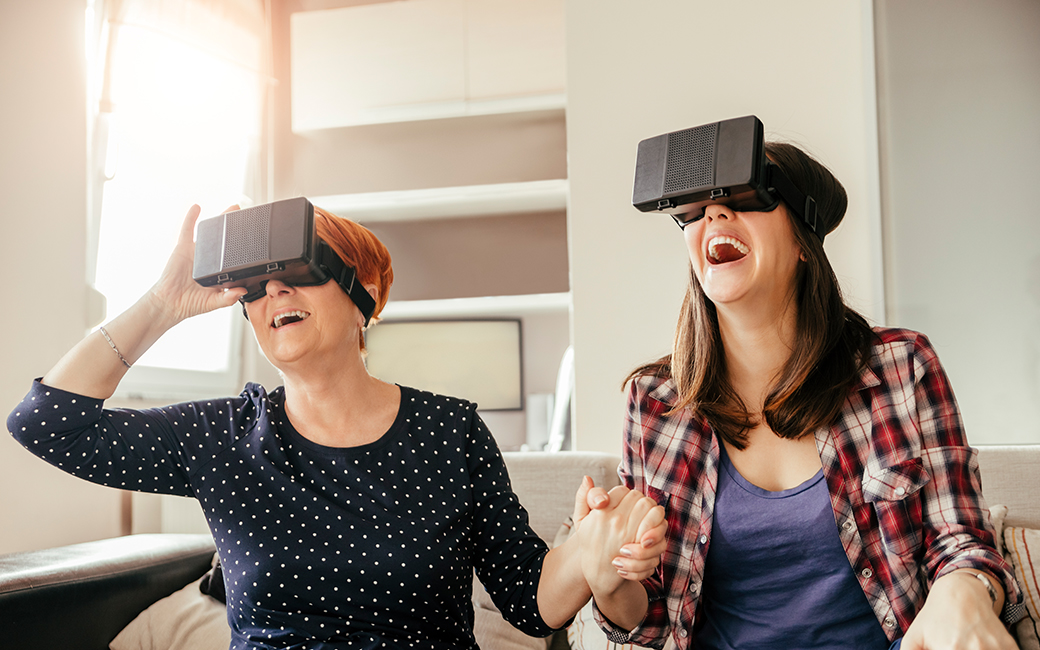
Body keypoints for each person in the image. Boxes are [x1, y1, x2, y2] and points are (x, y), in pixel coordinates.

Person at [7, 203, 666, 650]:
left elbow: (531, 601)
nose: (274, 294)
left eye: (296, 272)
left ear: (361, 298)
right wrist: (163, 305)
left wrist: (588, 553)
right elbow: (47, 422)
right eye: (256, 287)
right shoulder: (222, 436)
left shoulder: (450, 432)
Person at [580, 139, 1023, 650]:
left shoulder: (902, 368)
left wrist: (961, 592)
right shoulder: (655, 403)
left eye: (748, 196)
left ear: (802, 239)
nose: (716, 212)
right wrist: (610, 579)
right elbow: (652, 619)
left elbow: (961, 543)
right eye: (696, 210)